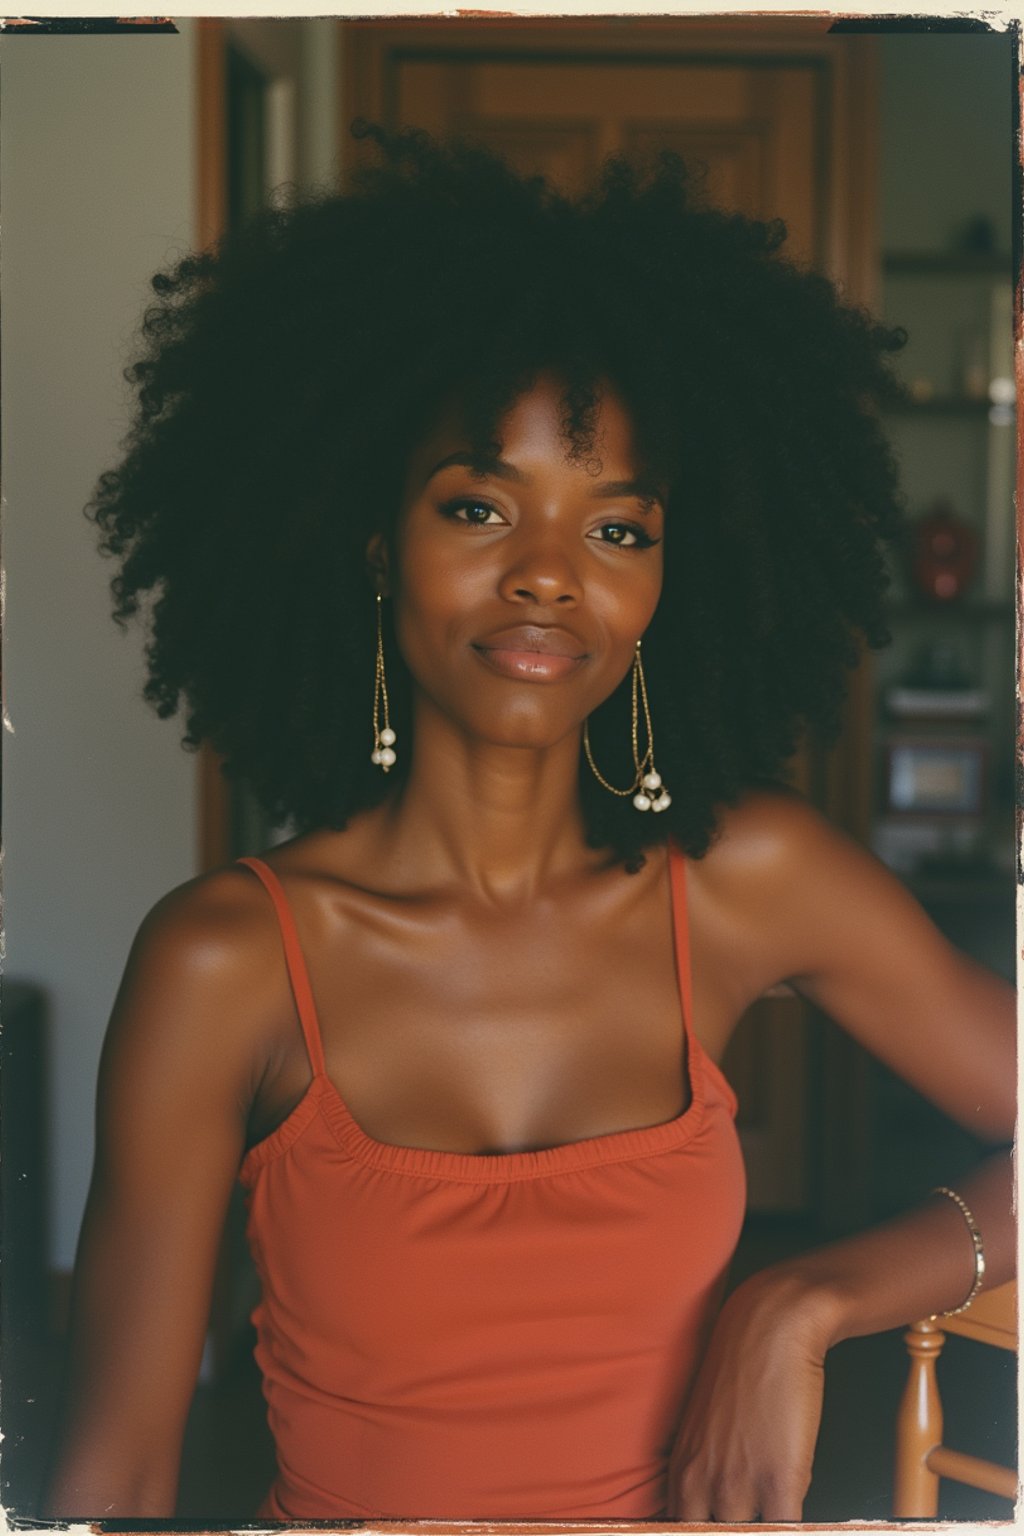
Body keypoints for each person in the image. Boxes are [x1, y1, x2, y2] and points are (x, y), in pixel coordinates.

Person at [44, 124, 1015, 1523]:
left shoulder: (745, 879)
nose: (550, 577)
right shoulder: (227, 960)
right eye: (481, 507)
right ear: (375, 539)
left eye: (618, 529)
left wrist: (805, 1300)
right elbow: (117, 1477)